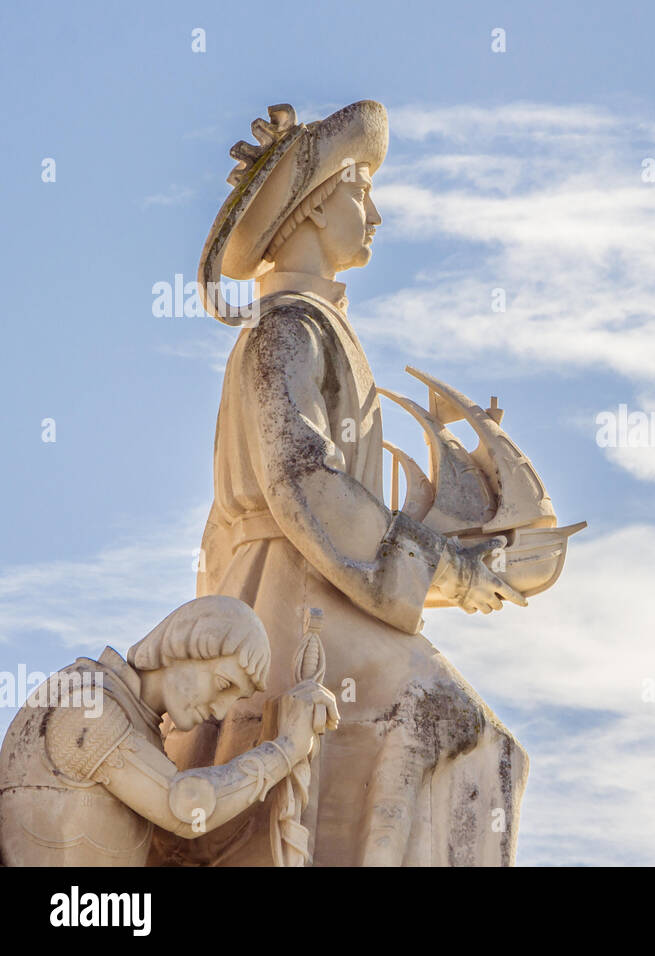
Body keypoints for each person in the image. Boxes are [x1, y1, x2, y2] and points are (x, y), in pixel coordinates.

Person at [170, 100, 528, 866]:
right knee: (448, 722)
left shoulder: (315, 327)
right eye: (360, 193)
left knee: (473, 738)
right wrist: (443, 572)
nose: (377, 214)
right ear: (310, 211)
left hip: (323, 588)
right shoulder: (285, 329)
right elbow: (305, 481)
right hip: (295, 601)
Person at [0, 596, 338, 866]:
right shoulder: (88, 703)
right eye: (223, 684)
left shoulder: (140, 729)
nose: (220, 711)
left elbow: (192, 846)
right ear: (183, 644)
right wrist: (286, 748)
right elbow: (185, 807)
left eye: (236, 699)